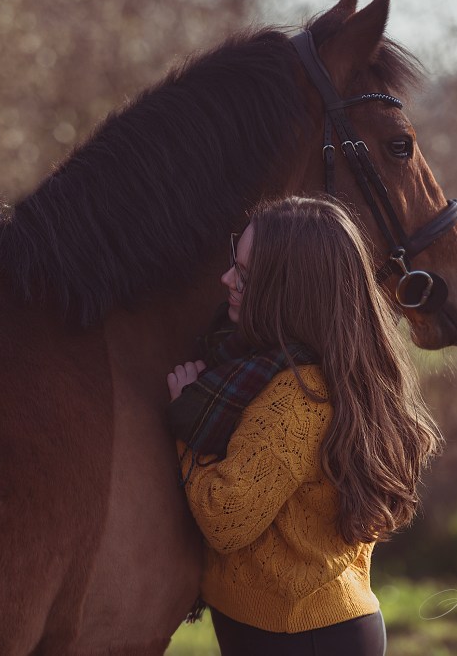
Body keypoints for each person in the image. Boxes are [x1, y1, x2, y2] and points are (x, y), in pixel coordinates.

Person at [166, 195, 443, 656]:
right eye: (235, 263)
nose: (226, 280)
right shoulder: (326, 369)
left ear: (288, 291)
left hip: (302, 637)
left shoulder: (299, 397)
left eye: (246, 276)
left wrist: (185, 423)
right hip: (300, 627)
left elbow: (226, 519)